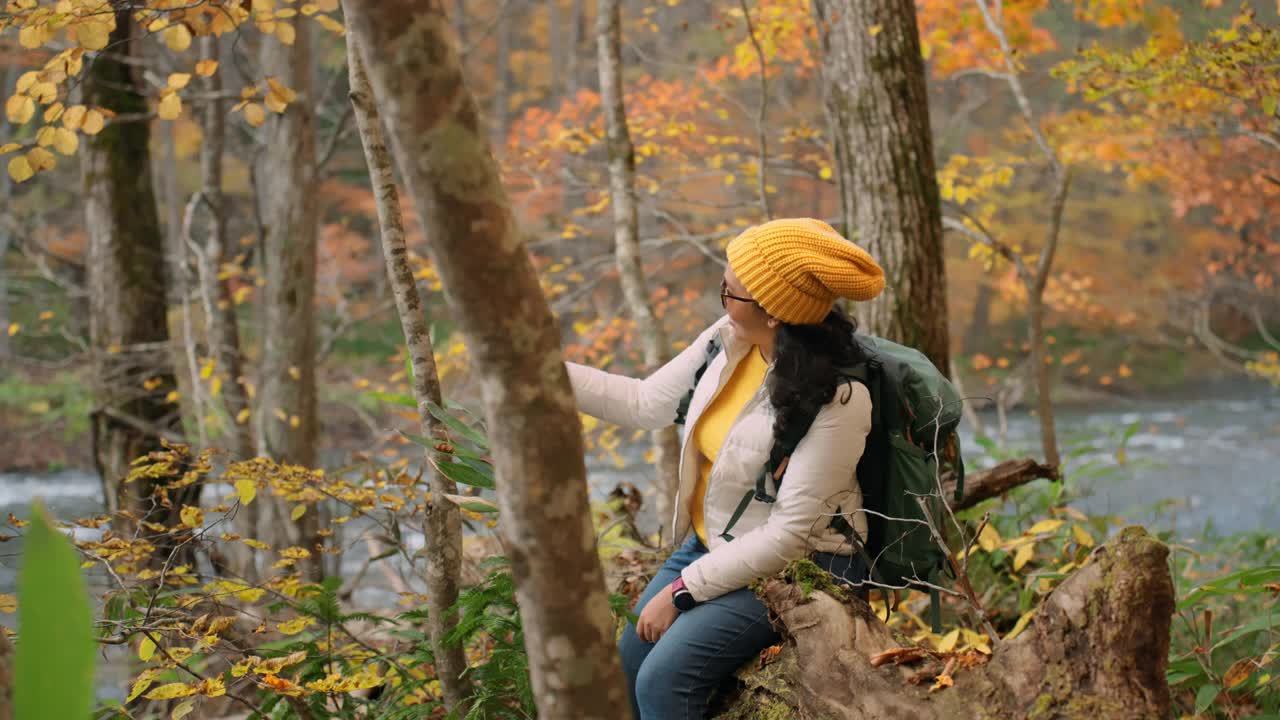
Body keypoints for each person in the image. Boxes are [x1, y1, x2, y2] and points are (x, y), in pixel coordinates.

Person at [566, 218, 886, 719]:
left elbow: (791, 535)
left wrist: (681, 592)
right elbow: (646, 403)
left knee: (662, 684)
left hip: (803, 566)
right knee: (625, 669)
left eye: (730, 293)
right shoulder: (728, 340)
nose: (722, 300)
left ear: (776, 313)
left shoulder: (839, 400)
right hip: (712, 542)